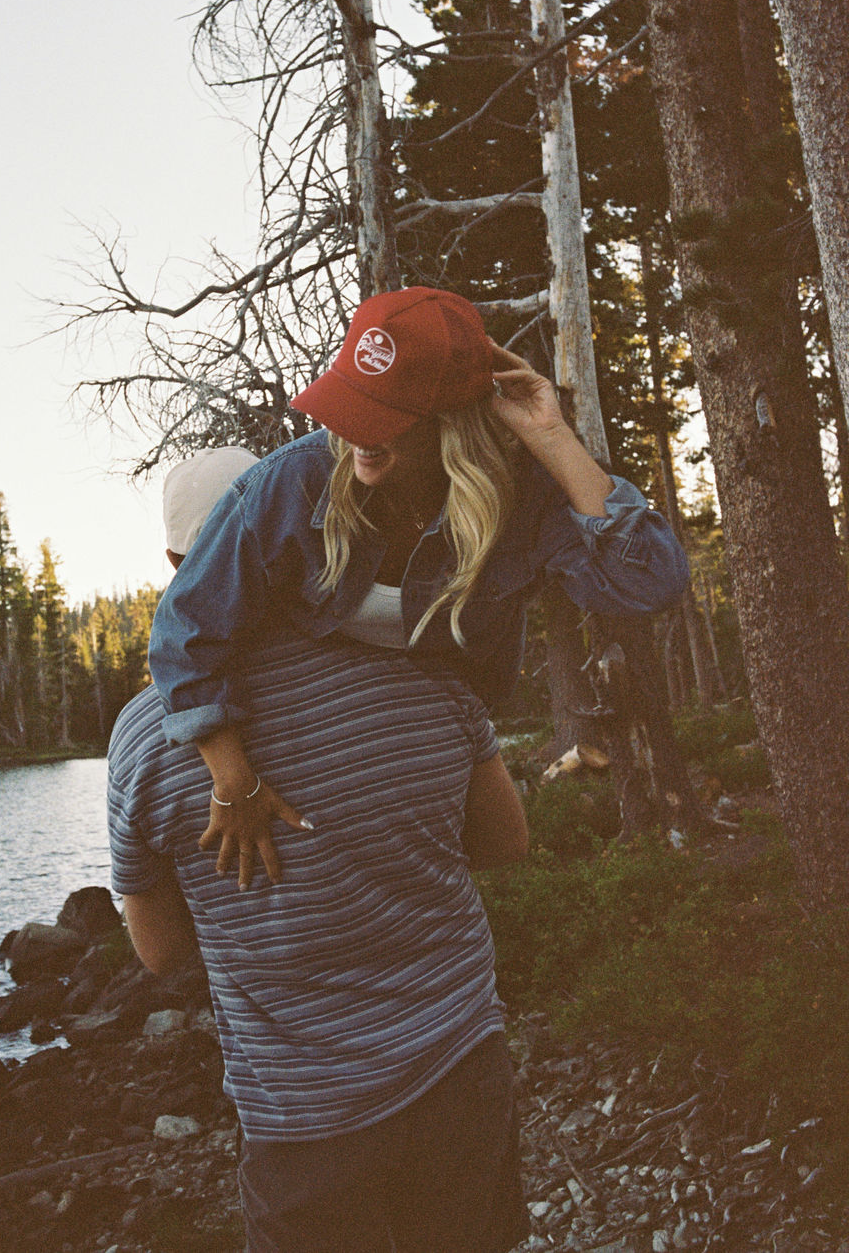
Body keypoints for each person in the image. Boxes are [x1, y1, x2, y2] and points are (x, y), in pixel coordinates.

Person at [108, 444, 533, 1251]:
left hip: (302, 1120)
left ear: (173, 562)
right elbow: (506, 843)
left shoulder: (143, 740)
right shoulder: (419, 661)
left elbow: (162, 953)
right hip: (457, 1070)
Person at [145, 285, 689, 888]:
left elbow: (649, 584)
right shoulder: (292, 483)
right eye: (351, 401)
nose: (354, 432)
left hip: (440, 733)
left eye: (383, 415)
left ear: (451, 422)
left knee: (483, 872)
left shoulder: (521, 498)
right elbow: (183, 628)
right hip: (315, 731)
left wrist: (553, 437)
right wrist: (232, 781)